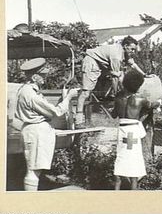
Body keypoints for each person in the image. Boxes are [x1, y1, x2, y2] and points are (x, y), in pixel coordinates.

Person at [14, 58, 79, 191]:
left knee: (32, 168)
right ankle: (30, 204)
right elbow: (56, 112)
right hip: (36, 132)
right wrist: (68, 97)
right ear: (35, 76)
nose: (45, 77)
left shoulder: (23, 90)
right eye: (43, 75)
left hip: (30, 130)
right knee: (34, 171)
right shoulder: (31, 94)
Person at [76, 36, 147, 128]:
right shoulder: (116, 56)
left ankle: (109, 102)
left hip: (100, 65)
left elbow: (132, 64)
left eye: (134, 50)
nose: (133, 52)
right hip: (92, 63)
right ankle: (78, 119)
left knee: (120, 74)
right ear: (125, 46)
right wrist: (117, 95)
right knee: (86, 92)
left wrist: (144, 74)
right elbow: (115, 78)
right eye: (132, 49)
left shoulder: (122, 51)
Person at [111, 70, 160, 190]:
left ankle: (115, 194)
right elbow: (152, 105)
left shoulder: (118, 97)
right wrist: (158, 102)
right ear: (138, 85)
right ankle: (134, 196)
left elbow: (113, 115)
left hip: (122, 130)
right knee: (134, 161)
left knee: (120, 157)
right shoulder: (140, 99)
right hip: (133, 129)